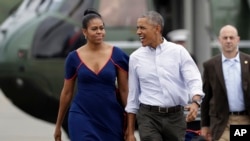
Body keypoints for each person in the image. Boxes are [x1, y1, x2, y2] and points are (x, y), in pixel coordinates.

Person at [125, 11, 204, 141]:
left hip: (176, 118)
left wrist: (195, 102)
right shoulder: (135, 58)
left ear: (157, 28)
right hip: (148, 117)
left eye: (142, 28)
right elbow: (132, 97)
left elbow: (193, 79)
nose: (138, 32)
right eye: (137, 28)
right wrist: (130, 132)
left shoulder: (178, 52)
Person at [54, 8, 129, 141]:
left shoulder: (117, 55)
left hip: (110, 116)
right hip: (81, 114)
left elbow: (124, 91)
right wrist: (58, 125)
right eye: (94, 29)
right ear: (84, 32)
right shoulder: (73, 58)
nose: (99, 32)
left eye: (102, 28)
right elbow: (66, 93)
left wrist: (130, 124)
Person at [201, 25, 250, 141]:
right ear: (220, 40)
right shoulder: (210, 65)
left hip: (244, 120)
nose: (228, 41)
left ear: (237, 39)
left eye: (231, 38)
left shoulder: (248, 63)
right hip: (222, 122)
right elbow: (206, 98)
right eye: (225, 38)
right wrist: (205, 125)